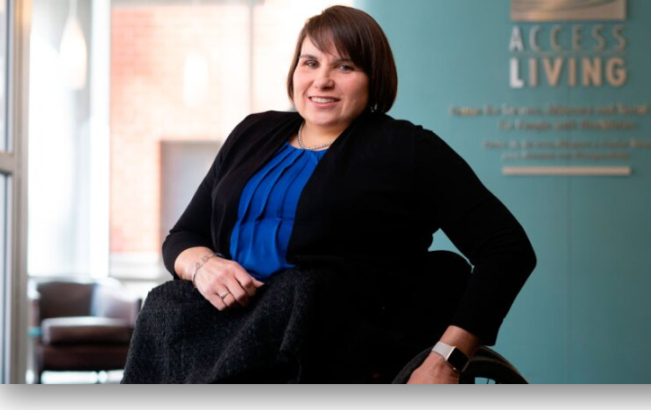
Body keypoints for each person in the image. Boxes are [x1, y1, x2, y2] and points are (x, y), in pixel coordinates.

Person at [121, 5, 535, 384]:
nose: (322, 80)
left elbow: (507, 249)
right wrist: (204, 266)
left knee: (296, 294)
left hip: (328, 338)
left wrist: (447, 358)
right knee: (162, 304)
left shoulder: (407, 149)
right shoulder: (252, 133)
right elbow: (183, 237)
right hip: (225, 323)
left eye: (345, 66)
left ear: (374, 79)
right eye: (310, 62)